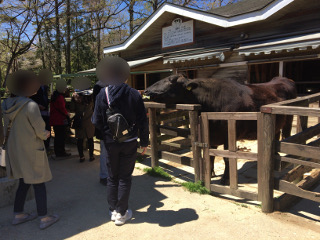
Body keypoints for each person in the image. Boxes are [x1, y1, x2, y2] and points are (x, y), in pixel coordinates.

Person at [92, 56, 149, 226]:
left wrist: (107, 135)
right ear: (125, 75)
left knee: (112, 177)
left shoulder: (103, 94)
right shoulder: (134, 94)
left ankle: (112, 210)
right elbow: (142, 121)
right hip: (130, 141)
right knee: (125, 177)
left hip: (110, 143)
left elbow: (96, 120)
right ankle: (122, 214)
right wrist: (144, 142)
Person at [2, 70, 59, 230]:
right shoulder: (30, 105)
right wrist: (46, 134)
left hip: (15, 150)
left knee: (23, 181)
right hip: (31, 151)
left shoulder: (5, 104)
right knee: (38, 183)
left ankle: (18, 214)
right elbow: (41, 132)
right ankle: (44, 218)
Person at [70, 85, 95, 163]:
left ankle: (81, 157)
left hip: (80, 121)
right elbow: (93, 106)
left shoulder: (75, 98)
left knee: (80, 140)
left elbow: (72, 108)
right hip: (89, 121)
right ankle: (91, 156)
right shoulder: (91, 97)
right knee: (90, 139)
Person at [30, 69, 52, 150]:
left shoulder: (46, 87)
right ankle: (41, 147)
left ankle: (47, 146)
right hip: (38, 113)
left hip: (46, 113)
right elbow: (30, 99)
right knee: (40, 130)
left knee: (48, 130)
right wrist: (37, 105)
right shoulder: (34, 87)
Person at [49, 79, 71, 158]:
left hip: (54, 119)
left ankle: (57, 151)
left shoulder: (54, 95)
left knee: (57, 136)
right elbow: (62, 108)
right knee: (61, 137)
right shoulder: (60, 97)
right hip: (60, 120)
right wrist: (67, 114)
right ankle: (61, 152)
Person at [93, 80, 108, 186]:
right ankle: (104, 176)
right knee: (105, 152)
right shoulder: (99, 88)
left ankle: (109, 175)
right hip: (105, 126)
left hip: (111, 125)